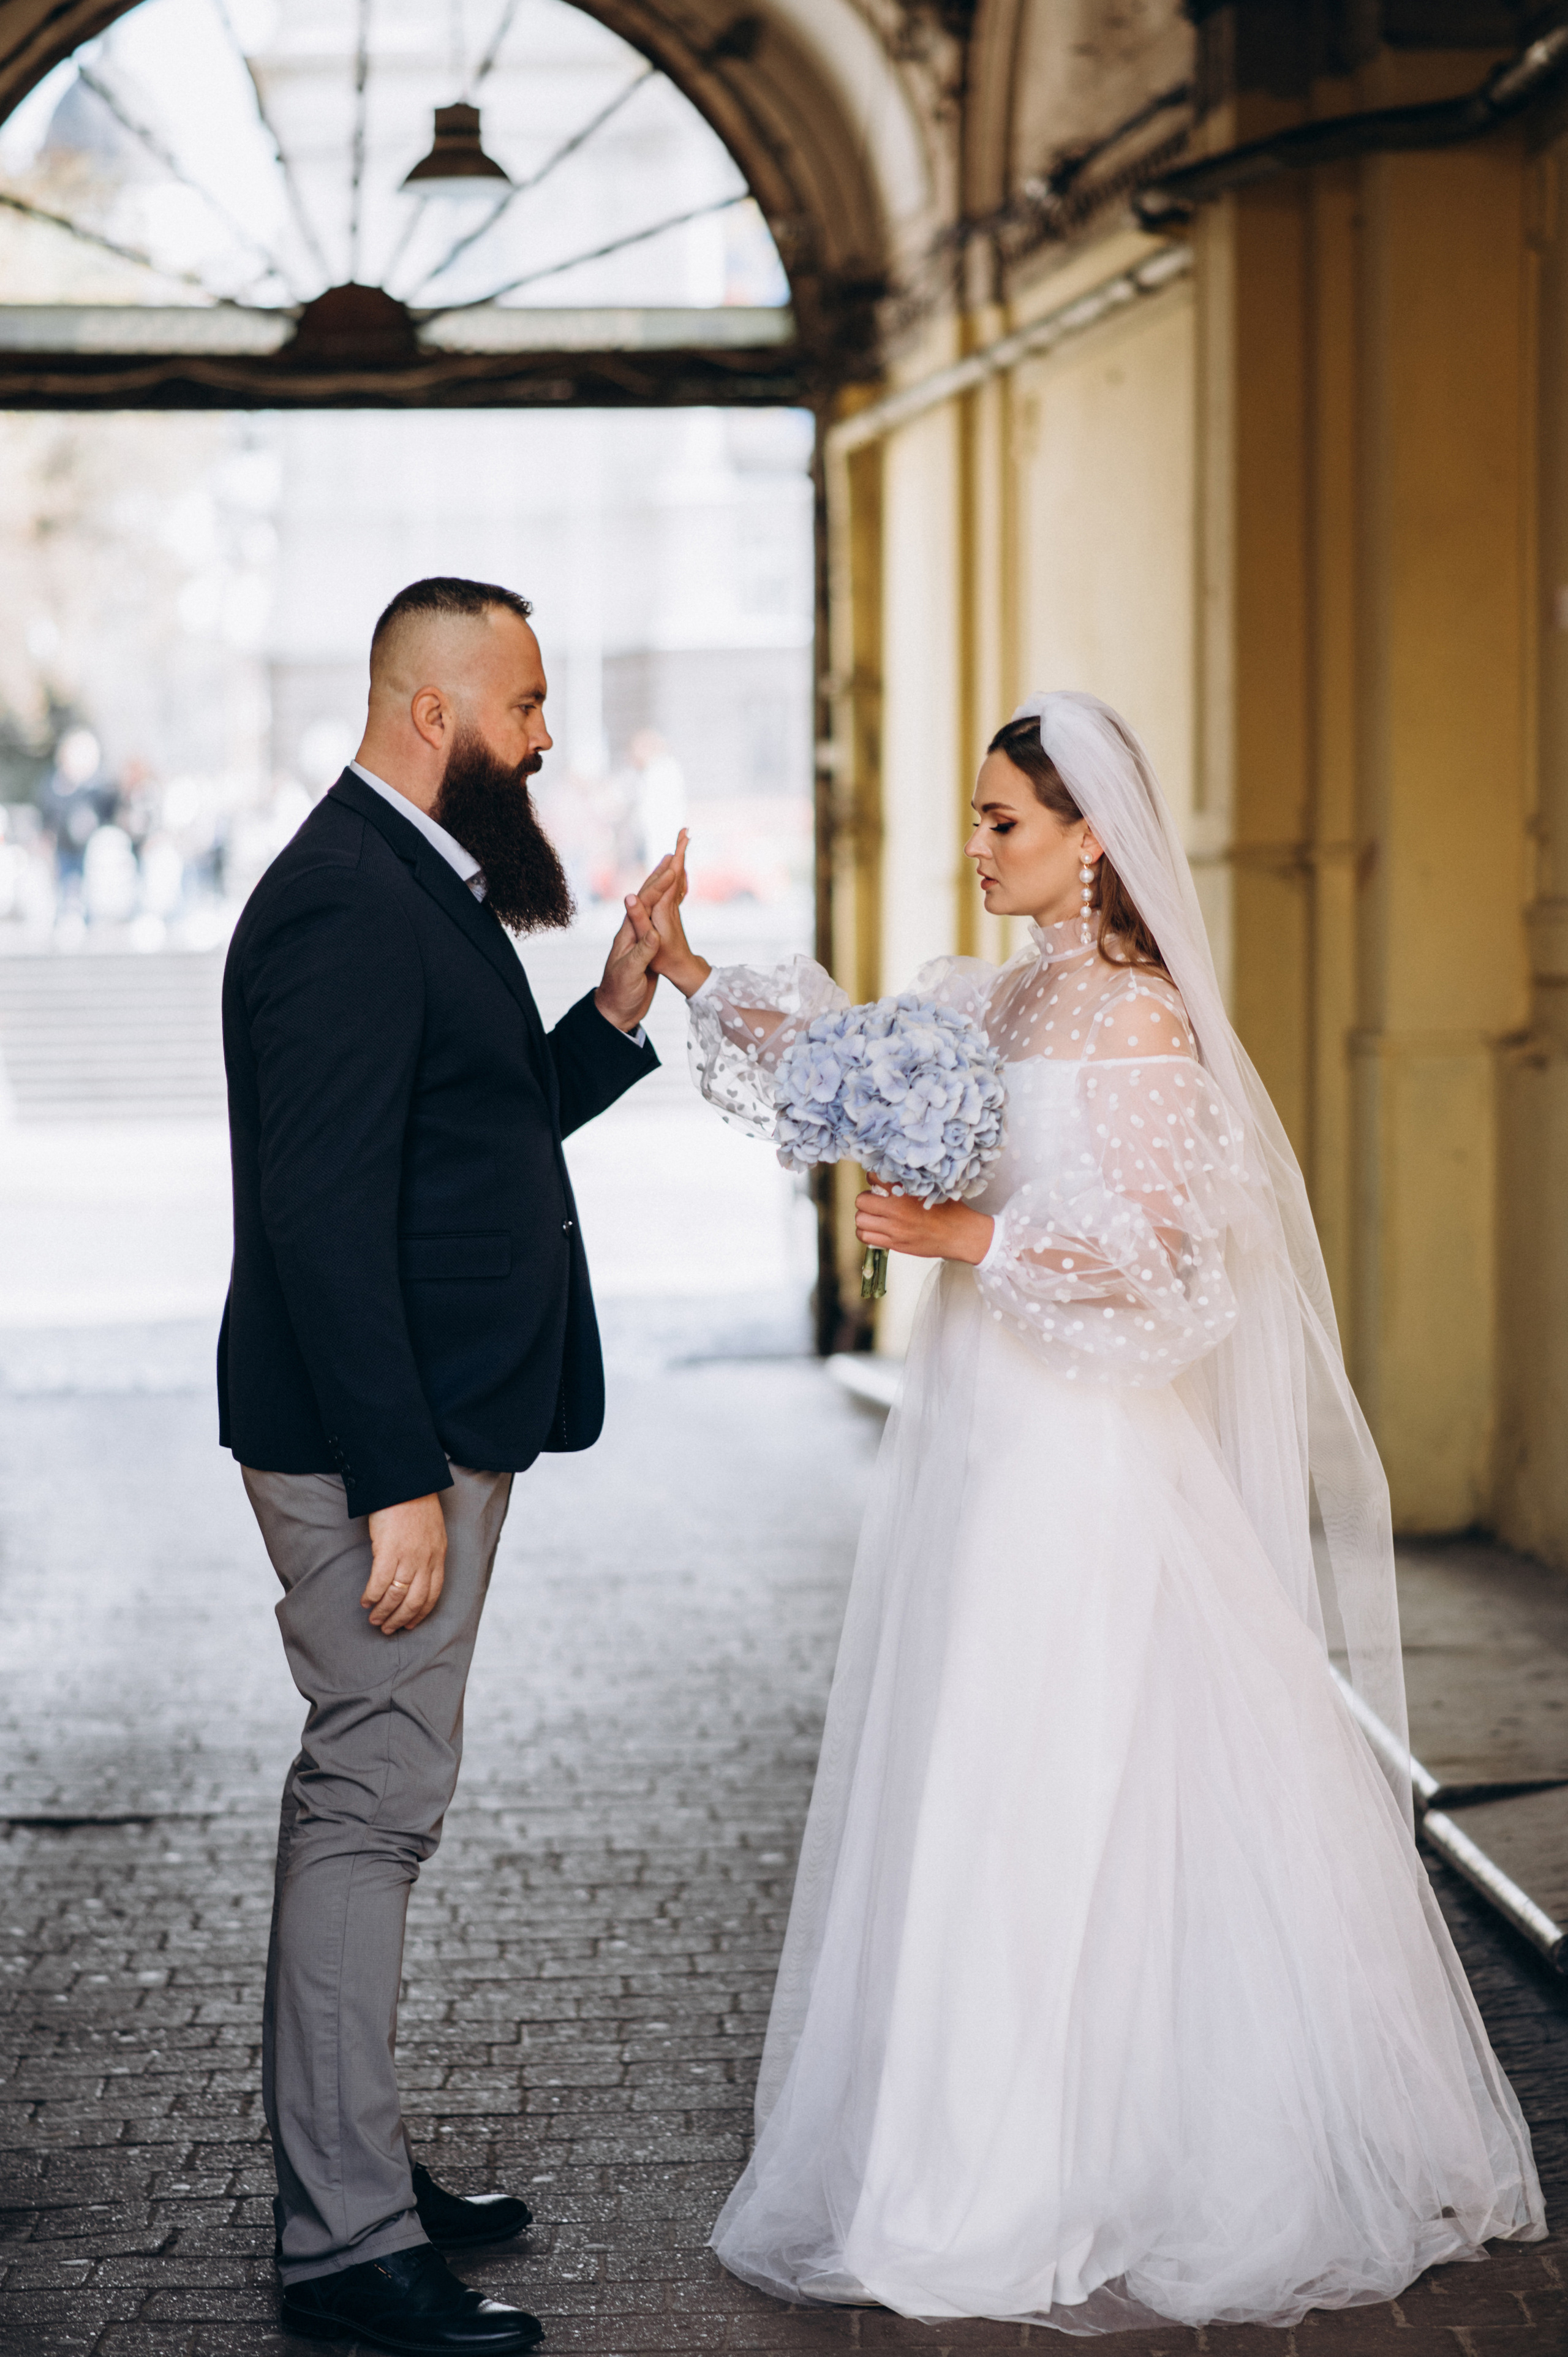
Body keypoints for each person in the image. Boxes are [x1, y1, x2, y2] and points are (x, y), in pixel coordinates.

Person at [644, 692, 1545, 2333]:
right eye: (980, 817)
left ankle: (1055, 2166)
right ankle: (963, 2151)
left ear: (1091, 841)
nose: (976, 844)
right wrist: (695, 974)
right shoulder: (1000, 998)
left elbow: (1169, 1265)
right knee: (972, 1761)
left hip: (1081, 1453)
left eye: (1004, 821)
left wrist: (969, 1241)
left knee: (1052, 1763)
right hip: (980, 1432)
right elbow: (844, 1070)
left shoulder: (1140, 1021)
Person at [219, 577, 682, 2356]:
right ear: (438, 713)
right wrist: (393, 1473)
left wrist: (613, 1011)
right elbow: (321, 1214)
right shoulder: (348, 899)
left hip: (416, 1419)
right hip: (382, 1439)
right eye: (528, 704)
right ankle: (349, 2249)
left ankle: (352, 2171)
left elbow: (470, 1135)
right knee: (371, 1800)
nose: (547, 738)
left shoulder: (410, 874)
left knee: (372, 1793)